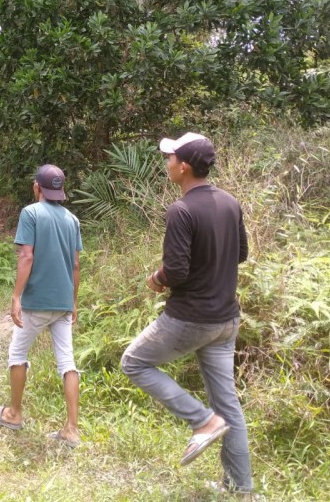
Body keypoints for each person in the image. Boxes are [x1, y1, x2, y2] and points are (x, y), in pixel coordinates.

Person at [120, 133, 253, 494]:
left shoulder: (182, 210)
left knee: (134, 362)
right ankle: (241, 490)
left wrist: (155, 279)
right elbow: (240, 254)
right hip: (226, 320)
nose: (167, 164)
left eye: (170, 159)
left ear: (185, 167)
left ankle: (203, 421)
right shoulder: (230, 202)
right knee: (229, 404)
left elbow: (175, 272)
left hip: (189, 318)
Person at [0, 164, 83, 447]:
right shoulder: (72, 220)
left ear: (37, 187)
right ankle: (72, 429)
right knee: (68, 362)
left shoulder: (31, 213)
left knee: (17, 353)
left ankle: (14, 414)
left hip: (36, 302)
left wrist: (16, 296)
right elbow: (76, 264)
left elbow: (26, 256)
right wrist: (74, 301)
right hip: (64, 302)